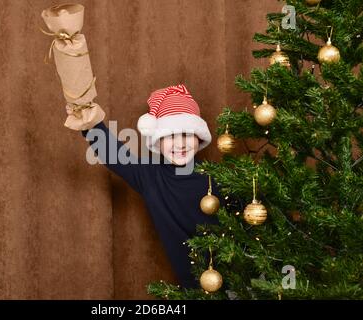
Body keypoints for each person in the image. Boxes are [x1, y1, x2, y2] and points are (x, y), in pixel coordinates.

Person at [66, 84, 243, 288]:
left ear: (199, 137)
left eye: (186, 134)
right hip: (192, 288)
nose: (180, 144)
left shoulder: (219, 177)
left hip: (240, 283)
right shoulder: (149, 175)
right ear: (157, 142)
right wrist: (86, 115)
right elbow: (111, 152)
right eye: (170, 136)